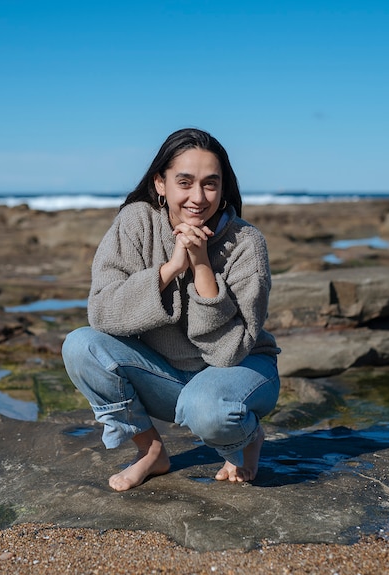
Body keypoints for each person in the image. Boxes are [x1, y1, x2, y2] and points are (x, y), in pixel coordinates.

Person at [62, 128, 281, 492]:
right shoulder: (136, 222)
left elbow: (228, 352)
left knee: (207, 409)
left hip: (241, 372)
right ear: (160, 184)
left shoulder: (247, 244)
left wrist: (201, 266)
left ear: (224, 188)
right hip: (167, 376)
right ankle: (151, 452)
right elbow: (101, 312)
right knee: (81, 346)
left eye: (210, 184)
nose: (198, 197)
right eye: (185, 182)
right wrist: (171, 269)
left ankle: (246, 438)